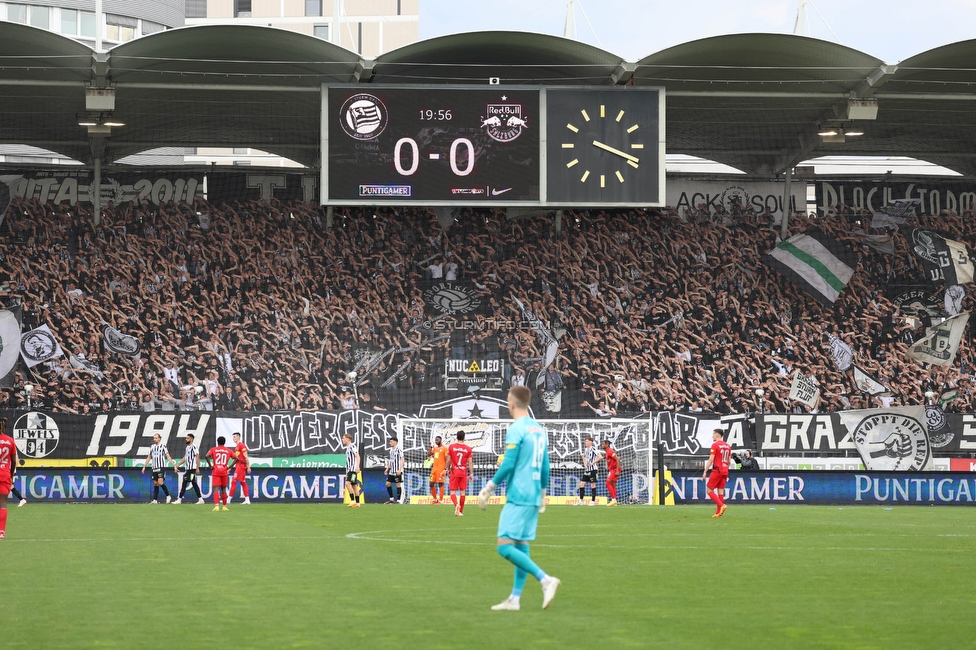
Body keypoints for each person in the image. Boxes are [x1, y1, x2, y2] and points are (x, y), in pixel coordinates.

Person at [478, 386, 561, 611]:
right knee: (521, 545)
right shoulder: (539, 429)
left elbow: (508, 463)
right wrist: (543, 493)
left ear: (512, 403)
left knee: (504, 546)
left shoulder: (517, 428)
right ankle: (514, 600)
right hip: (534, 494)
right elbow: (545, 465)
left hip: (519, 494)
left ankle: (545, 580)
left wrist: (488, 488)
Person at [703, 429, 732, 518]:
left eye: (713, 434)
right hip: (725, 470)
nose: (712, 436)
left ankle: (722, 505)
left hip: (717, 470)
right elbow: (729, 461)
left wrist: (705, 471)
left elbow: (711, 459)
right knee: (720, 491)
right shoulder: (728, 446)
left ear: (717, 435)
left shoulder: (715, 445)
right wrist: (725, 468)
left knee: (709, 490)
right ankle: (718, 513)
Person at [141, 433, 176, 504]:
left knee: (160, 482)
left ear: (159, 438)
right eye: (154, 438)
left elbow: (168, 456)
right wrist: (144, 466)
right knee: (155, 483)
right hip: (154, 467)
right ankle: (155, 500)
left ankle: (168, 496)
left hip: (161, 467)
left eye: (156, 438)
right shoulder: (152, 447)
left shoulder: (163, 446)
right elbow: (149, 457)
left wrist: (174, 465)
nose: (155, 439)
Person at [206, 436, 236, 511]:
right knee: (224, 489)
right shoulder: (228, 450)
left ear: (217, 442)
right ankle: (224, 506)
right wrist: (230, 467)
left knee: (216, 489)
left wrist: (210, 466)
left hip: (216, 471)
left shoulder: (214, 449)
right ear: (224, 442)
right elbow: (236, 458)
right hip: (224, 472)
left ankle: (216, 506)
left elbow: (207, 456)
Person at [172, 433, 205, 504]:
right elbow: (185, 457)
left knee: (184, 482)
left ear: (191, 439)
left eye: (187, 438)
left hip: (192, 469)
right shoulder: (187, 448)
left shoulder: (194, 446)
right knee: (194, 483)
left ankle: (179, 499)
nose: (186, 439)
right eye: (186, 438)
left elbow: (197, 456)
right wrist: (178, 465)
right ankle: (200, 499)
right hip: (188, 468)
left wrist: (197, 468)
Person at [448, 430, 473, 517]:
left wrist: (446, 469)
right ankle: (460, 511)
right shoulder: (468, 449)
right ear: (464, 438)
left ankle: (456, 505)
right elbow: (470, 462)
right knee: (462, 493)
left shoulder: (451, 447)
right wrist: (471, 474)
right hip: (463, 473)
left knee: (452, 492)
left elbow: (448, 459)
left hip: (454, 472)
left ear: (457, 437)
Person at [0, 418, 17, 539]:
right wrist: (11, 475)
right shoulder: (10, 441)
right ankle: (1, 532)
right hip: (5, 473)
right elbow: (14, 461)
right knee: (3, 504)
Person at [228, 432, 251, 505]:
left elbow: (246, 457)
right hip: (238, 465)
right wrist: (231, 467)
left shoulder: (241, 445)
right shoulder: (237, 447)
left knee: (234, 481)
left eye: (234, 437)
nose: (233, 438)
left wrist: (248, 466)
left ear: (238, 437)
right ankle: (247, 500)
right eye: (233, 437)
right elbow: (237, 459)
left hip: (241, 466)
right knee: (243, 482)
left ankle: (229, 499)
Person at [426, 435, 449, 504]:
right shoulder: (435, 449)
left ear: (440, 440)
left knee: (440, 484)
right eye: (435, 440)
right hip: (434, 470)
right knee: (431, 484)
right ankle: (435, 499)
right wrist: (431, 447)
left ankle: (441, 500)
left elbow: (447, 458)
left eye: (437, 440)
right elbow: (428, 454)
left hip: (441, 469)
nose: (436, 441)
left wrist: (446, 468)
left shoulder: (445, 448)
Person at [577, 437, 600, 506]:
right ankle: (581, 501)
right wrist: (585, 464)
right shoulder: (586, 449)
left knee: (592, 485)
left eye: (587, 441)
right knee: (581, 484)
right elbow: (583, 456)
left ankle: (593, 501)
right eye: (585, 441)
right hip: (587, 470)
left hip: (593, 470)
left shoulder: (594, 449)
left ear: (591, 442)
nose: (585, 442)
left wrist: (593, 463)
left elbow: (600, 457)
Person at [342, 433, 361, 508]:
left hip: (352, 470)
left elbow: (357, 456)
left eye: (343, 438)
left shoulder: (352, 446)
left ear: (347, 439)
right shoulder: (347, 448)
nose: (342, 440)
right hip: (350, 470)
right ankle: (358, 502)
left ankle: (353, 501)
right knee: (354, 486)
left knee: (347, 484)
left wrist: (357, 466)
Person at [600, 440, 620, 506]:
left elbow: (617, 459)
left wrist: (617, 470)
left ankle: (613, 499)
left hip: (614, 469)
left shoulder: (610, 451)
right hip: (612, 469)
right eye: (602, 444)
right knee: (613, 484)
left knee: (607, 482)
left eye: (603, 444)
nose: (602, 445)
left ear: (607, 444)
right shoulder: (607, 452)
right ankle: (615, 501)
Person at [384, 436, 403, 504]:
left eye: (391, 442)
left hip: (397, 470)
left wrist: (399, 470)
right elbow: (391, 460)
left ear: (395, 442)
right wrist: (387, 469)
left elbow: (402, 460)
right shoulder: (391, 450)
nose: (390, 443)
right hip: (392, 471)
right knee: (387, 484)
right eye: (390, 442)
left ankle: (398, 500)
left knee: (398, 485)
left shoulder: (399, 450)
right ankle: (391, 499)